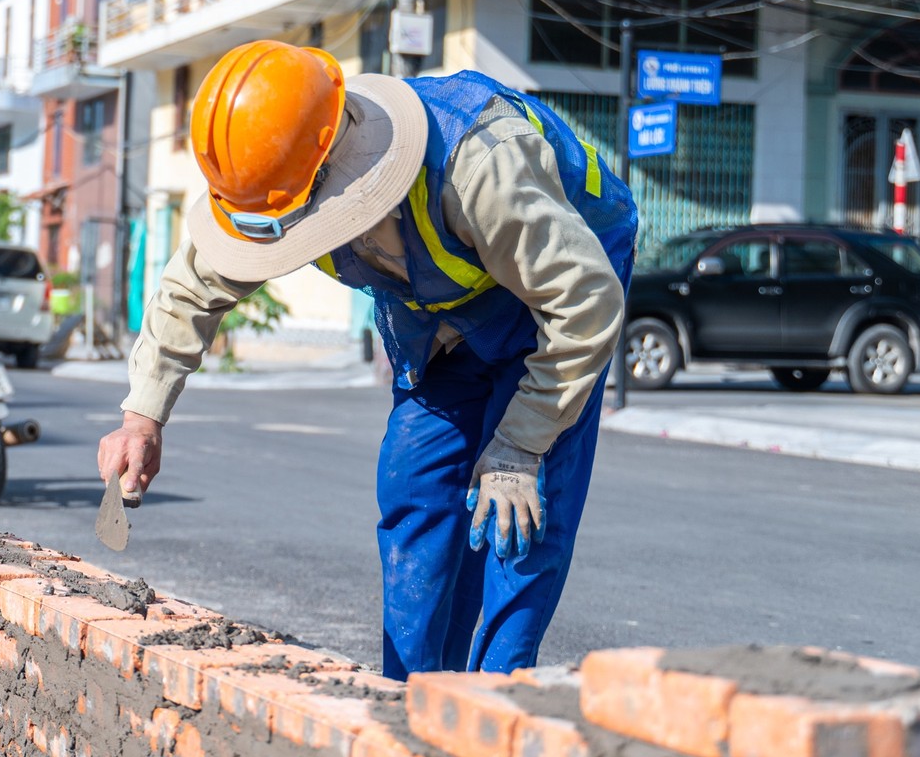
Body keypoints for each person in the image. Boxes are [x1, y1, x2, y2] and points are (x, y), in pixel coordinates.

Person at [97, 42, 638, 679]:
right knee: (415, 491)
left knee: (517, 516)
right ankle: (408, 697)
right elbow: (191, 289)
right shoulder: (269, 181)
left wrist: (521, 445)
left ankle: (494, 704)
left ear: (334, 169)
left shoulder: (478, 166)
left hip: (560, 291)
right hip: (440, 319)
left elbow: (584, 303)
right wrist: (142, 418)